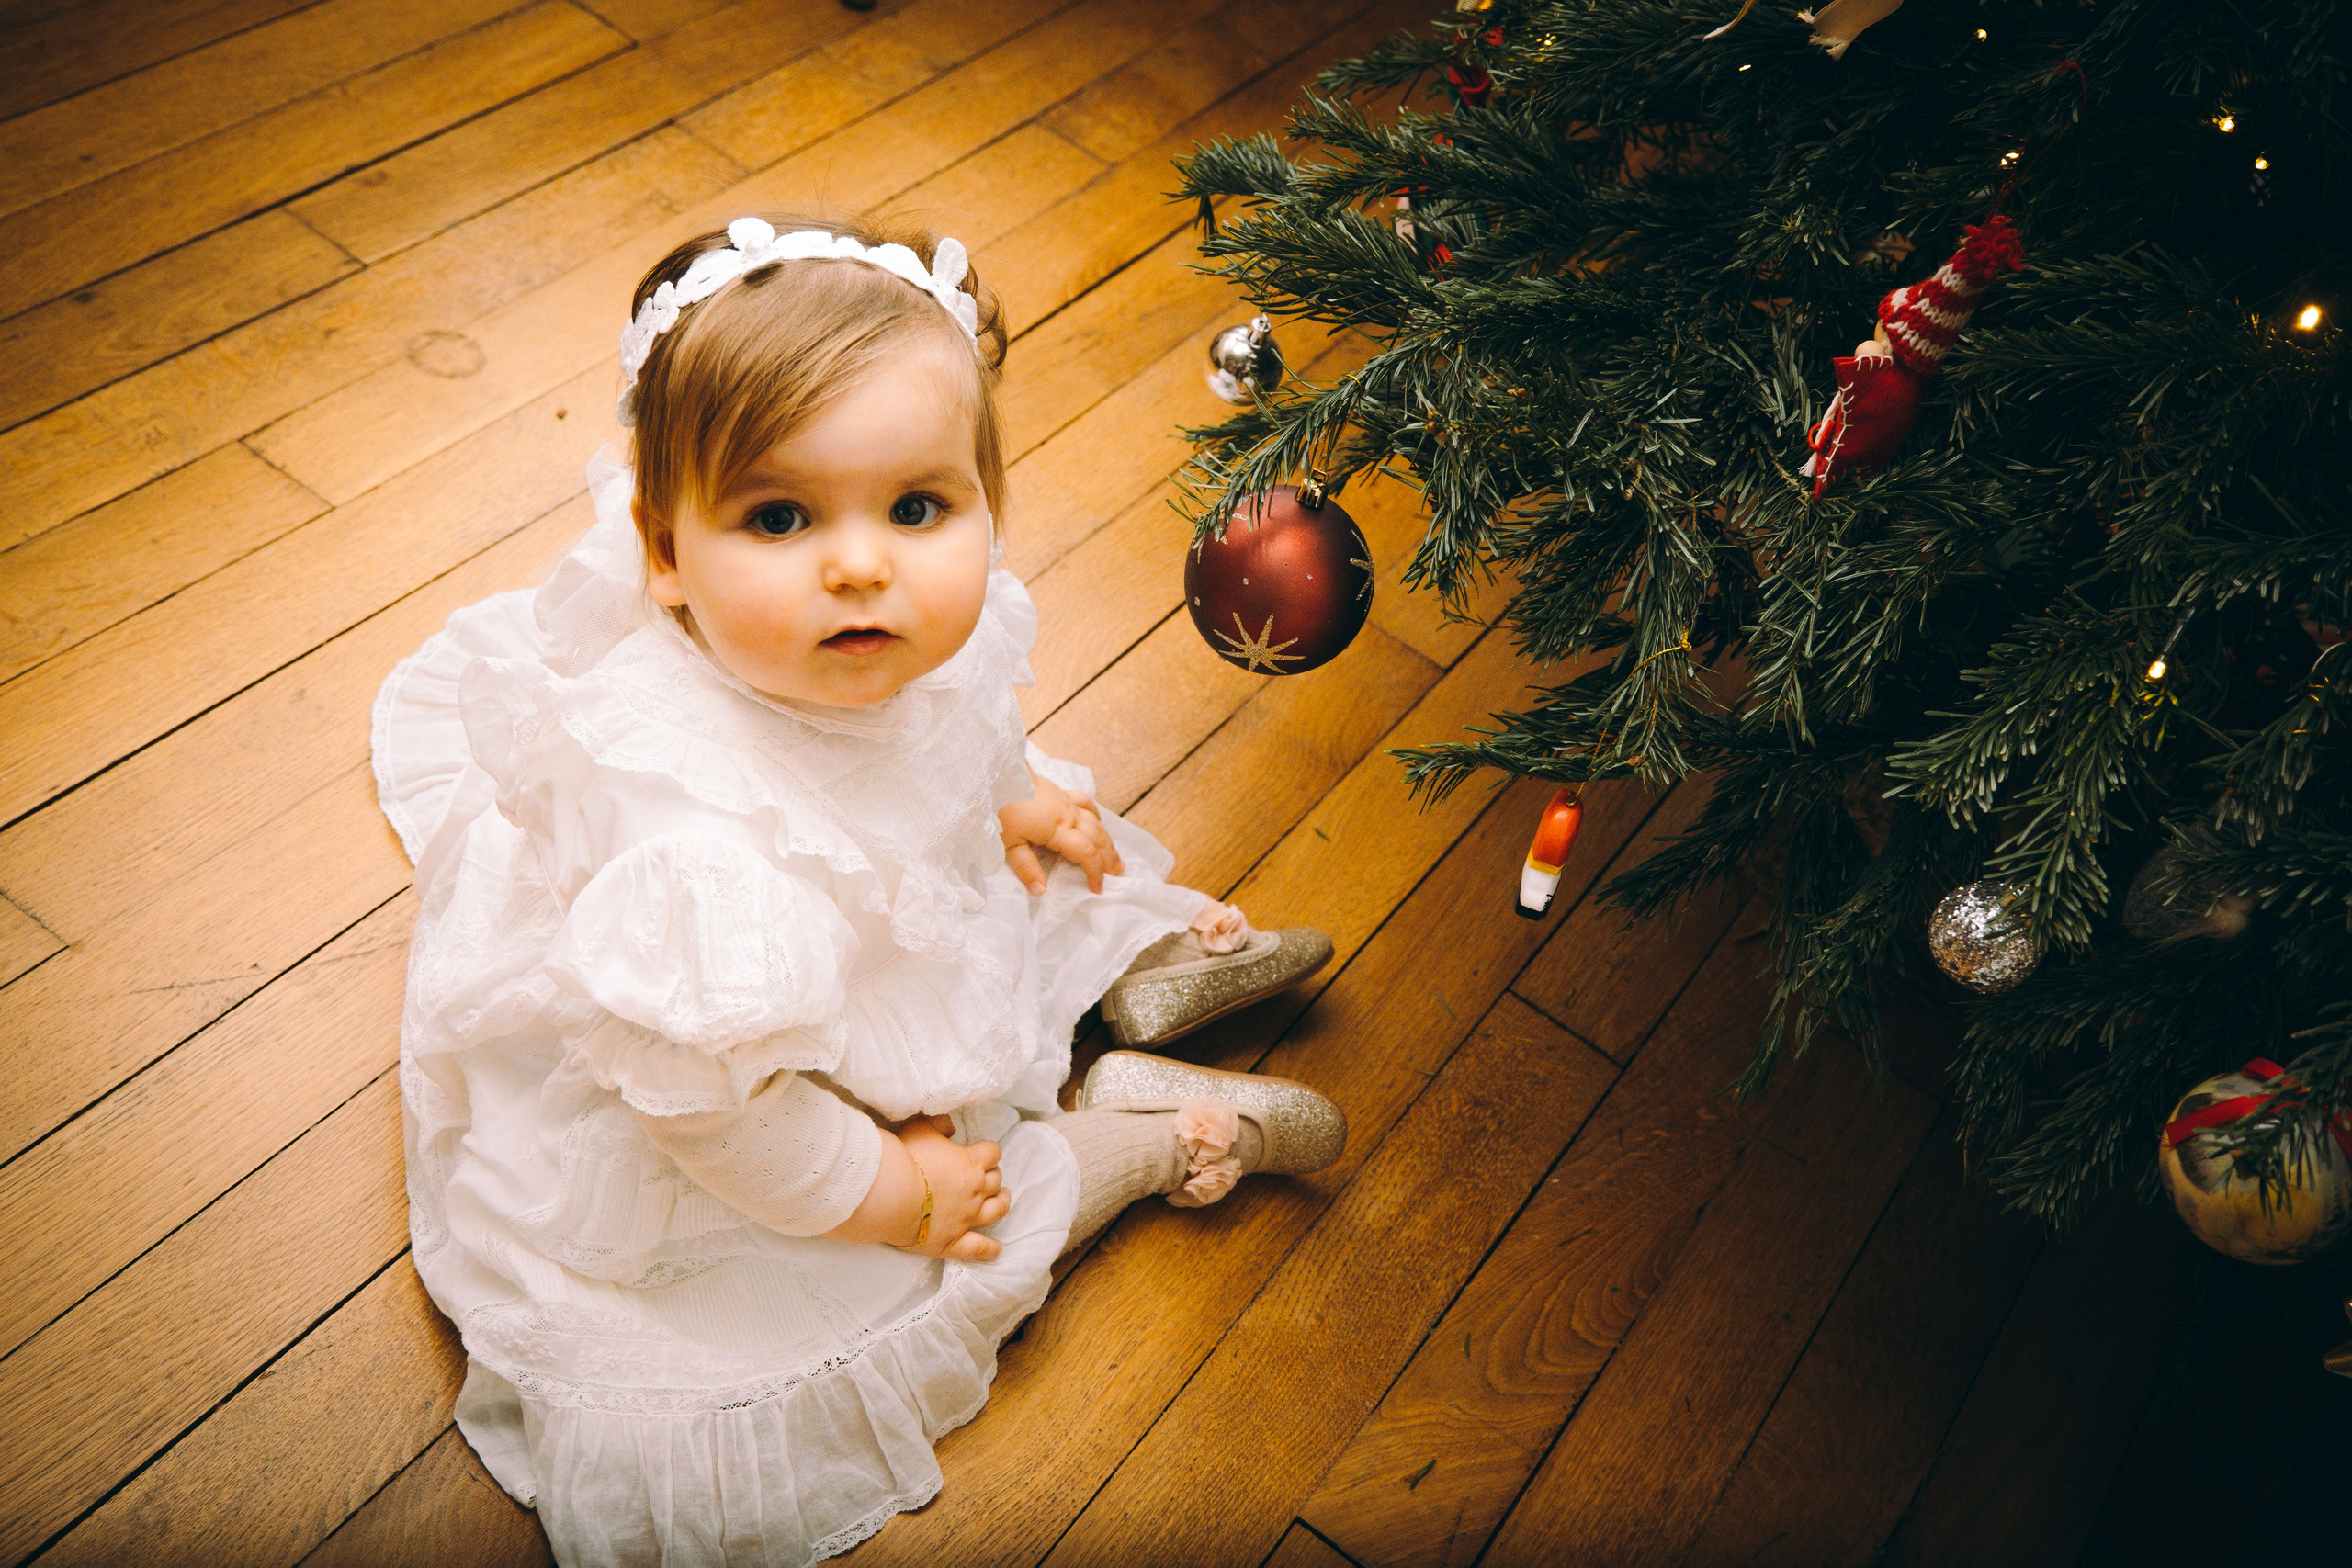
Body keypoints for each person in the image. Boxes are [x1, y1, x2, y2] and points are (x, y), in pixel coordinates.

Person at [370, 212, 1348, 1566]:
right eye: (779, 517)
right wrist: (895, 1191)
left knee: (1020, 873)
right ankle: (1124, 1141)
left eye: (918, 508)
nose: (862, 563)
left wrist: (1014, 794)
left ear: (981, 502)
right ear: (665, 555)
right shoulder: (686, 854)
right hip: (728, 1088)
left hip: (878, 920)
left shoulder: (875, 634)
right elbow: (721, 1120)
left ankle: (1133, 974)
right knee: (933, 1240)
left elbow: (962, 719)